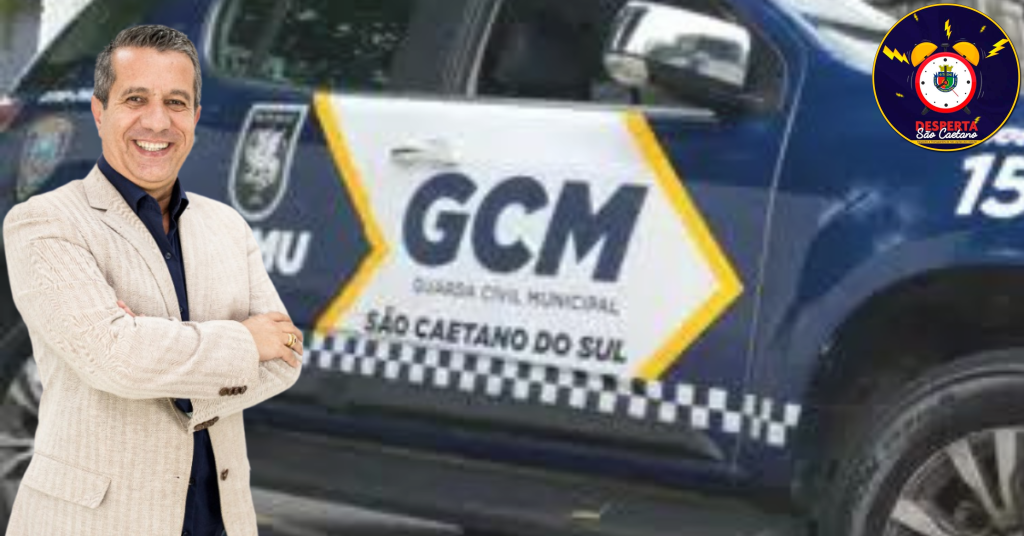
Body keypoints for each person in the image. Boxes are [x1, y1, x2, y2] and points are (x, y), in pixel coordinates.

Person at [2, 25, 303, 536]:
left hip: (218, 521)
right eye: (136, 99)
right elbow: (113, 357)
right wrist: (245, 343)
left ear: (196, 118)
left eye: (176, 103)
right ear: (101, 112)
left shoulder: (227, 227)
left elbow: (285, 361)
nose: (158, 121)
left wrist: (154, 357)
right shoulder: (46, 222)